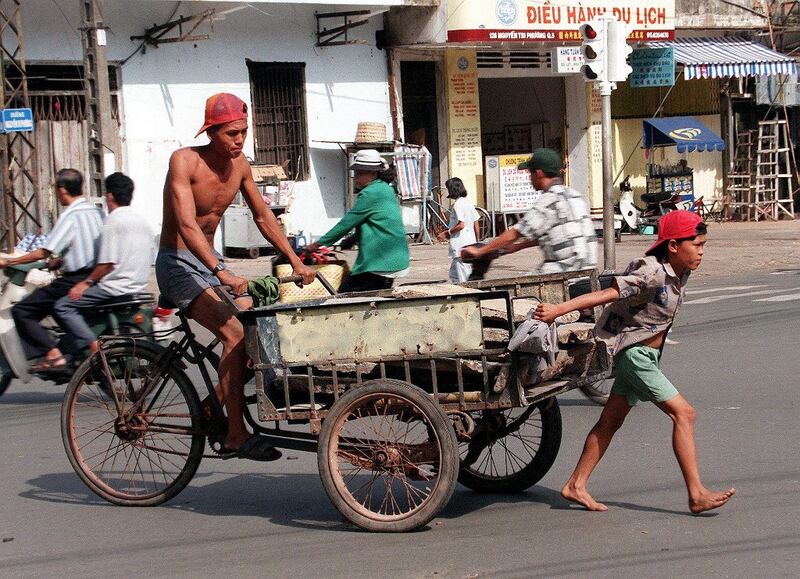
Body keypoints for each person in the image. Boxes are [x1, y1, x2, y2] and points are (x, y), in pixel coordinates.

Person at [534, 211, 735, 514]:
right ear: (672, 246)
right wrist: (558, 310)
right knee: (685, 414)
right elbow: (607, 293)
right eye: (696, 244)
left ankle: (576, 484)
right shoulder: (650, 271)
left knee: (610, 422)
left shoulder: (681, 272)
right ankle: (696, 493)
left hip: (646, 356)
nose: (701, 251)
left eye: (703, 244)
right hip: (635, 356)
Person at [156, 92, 315, 461]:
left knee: (257, 332)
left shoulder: (241, 165)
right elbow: (186, 225)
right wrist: (222, 272)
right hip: (177, 263)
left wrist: (295, 259)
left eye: (243, 132)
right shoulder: (185, 161)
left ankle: (213, 405)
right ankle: (235, 435)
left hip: (211, 264)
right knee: (235, 332)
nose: (239, 140)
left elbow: (262, 216)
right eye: (231, 133)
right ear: (212, 132)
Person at [1, 169, 103, 371]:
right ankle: (70, 348)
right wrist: (61, 261)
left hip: (75, 279)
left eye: (56, 190)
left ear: (63, 190)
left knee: (23, 311)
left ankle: (53, 354)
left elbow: (43, 252)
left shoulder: (70, 216)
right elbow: (87, 246)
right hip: (96, 276)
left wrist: (10, 262)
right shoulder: (97, 212)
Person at [53, 172, 153, 356]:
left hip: (114, 287)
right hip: (137, 285)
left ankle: (92, 344)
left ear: (110, 196)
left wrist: (86, 283)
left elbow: (107, 263)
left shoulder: (112, 221)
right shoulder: (142, 221)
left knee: (63, 305)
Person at [461, 148, 596, 274]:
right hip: (588, 270)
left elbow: (514, 233)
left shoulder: (548, 200)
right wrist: (518, 247)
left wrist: (480, 252)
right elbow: (554, 233)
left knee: (518, 290)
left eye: (530, 173)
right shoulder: (575, 196)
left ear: (538, 173)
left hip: (565, 272)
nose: (529, 178)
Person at [305, 149, 410, 292]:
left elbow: (347, 223)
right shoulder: (385, 189)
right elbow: (376, 220)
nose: (356, 177)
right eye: (356, 173)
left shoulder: (371, 193)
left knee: (343, 297)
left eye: (360, 173)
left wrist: (318, 244)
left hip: (379, 261)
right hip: (393, 258)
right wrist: (352, 239)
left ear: (373, 174)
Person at [437, 177, 480, 283]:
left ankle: (467, 295)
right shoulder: (468, 203)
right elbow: (476, 223)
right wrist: (477, 242)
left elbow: (461, 225)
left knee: (463, 277)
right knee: (454, 274)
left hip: (460, 245)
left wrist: (447, 233)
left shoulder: (458, 205)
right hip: (470, 242)